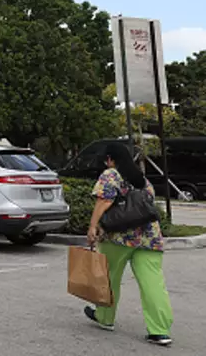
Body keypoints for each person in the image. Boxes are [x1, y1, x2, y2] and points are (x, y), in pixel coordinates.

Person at [84, 141, 174, 346]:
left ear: (110, 159)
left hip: (119, 237)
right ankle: (160, 331)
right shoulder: (142, 180)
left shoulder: (111, 174)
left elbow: (104, 200)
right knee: (153, 284)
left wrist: (92, 226)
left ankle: (105, 318)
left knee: (109, 278)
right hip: (150, 237)